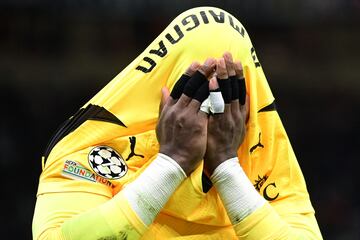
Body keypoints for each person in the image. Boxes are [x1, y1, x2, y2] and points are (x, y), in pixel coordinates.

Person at [32, 6, 323, 239]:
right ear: (165, 88)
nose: (211, 110)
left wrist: (227, 168)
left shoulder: (265, 162)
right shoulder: (96, 146)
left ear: (249, 102)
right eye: (193, 90)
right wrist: (172, 163)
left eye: (228, 92)